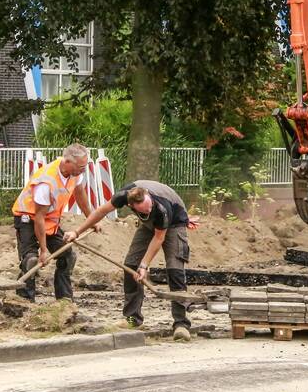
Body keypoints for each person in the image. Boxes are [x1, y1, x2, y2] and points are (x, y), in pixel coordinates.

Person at [66, 180, 195, 342]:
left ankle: (181, 324)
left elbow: (159, 238)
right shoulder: (123, 196)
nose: (148, 209)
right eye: (143, 210)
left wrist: (145, 265)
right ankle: (133, 319)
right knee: (130, 266)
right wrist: (76, 232)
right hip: (149, 225)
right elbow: (100, 211)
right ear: (131, 205)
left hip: (175, 223)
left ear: (148, 197)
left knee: (175, 269)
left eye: (149, 207)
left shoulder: (161, 207)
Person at [11, 143, 95, 302]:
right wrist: (43, 250)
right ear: (68, 162)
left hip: (49, 219)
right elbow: (39, 218)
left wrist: (91, 219)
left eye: (85, 166)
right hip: (28, 218)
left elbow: (80, 195)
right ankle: (25, 302)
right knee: (31, 260)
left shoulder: (76, 173)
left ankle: (64, 300)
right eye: (81, 166)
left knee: (68, 256)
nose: (83, 169)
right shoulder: (46, 182)